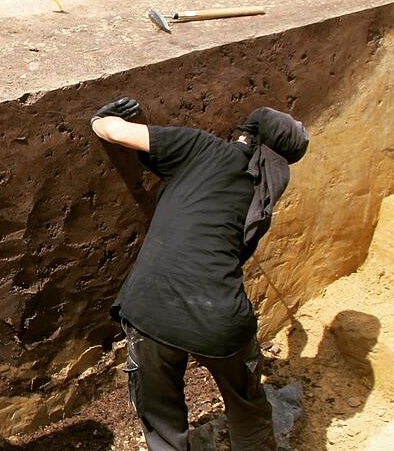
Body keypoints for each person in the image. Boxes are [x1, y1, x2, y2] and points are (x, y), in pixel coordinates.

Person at [90, 98, 309, 451]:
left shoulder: (201, 147)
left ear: (243, 134)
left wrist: (101, 117)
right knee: (248, 407)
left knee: (160, 418)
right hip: (221, 319)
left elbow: (114, 131)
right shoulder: (263, 193)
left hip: (151, 310)